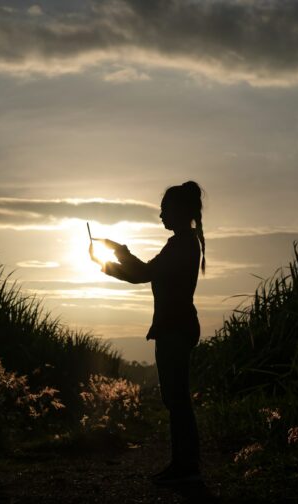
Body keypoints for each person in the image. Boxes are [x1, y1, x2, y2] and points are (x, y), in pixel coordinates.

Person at [89, 181, 206, 485]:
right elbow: (144, 274)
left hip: (175, 328)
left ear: (178, 211)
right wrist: (107, 263)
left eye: (164, 210)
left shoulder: (181, 244)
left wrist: (115, 253)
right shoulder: (184, 243)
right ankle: (183, 464)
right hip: (177, 326)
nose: (160, 216)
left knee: (177, 399)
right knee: (175, 398)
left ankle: (187, 467)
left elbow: (144, 273)